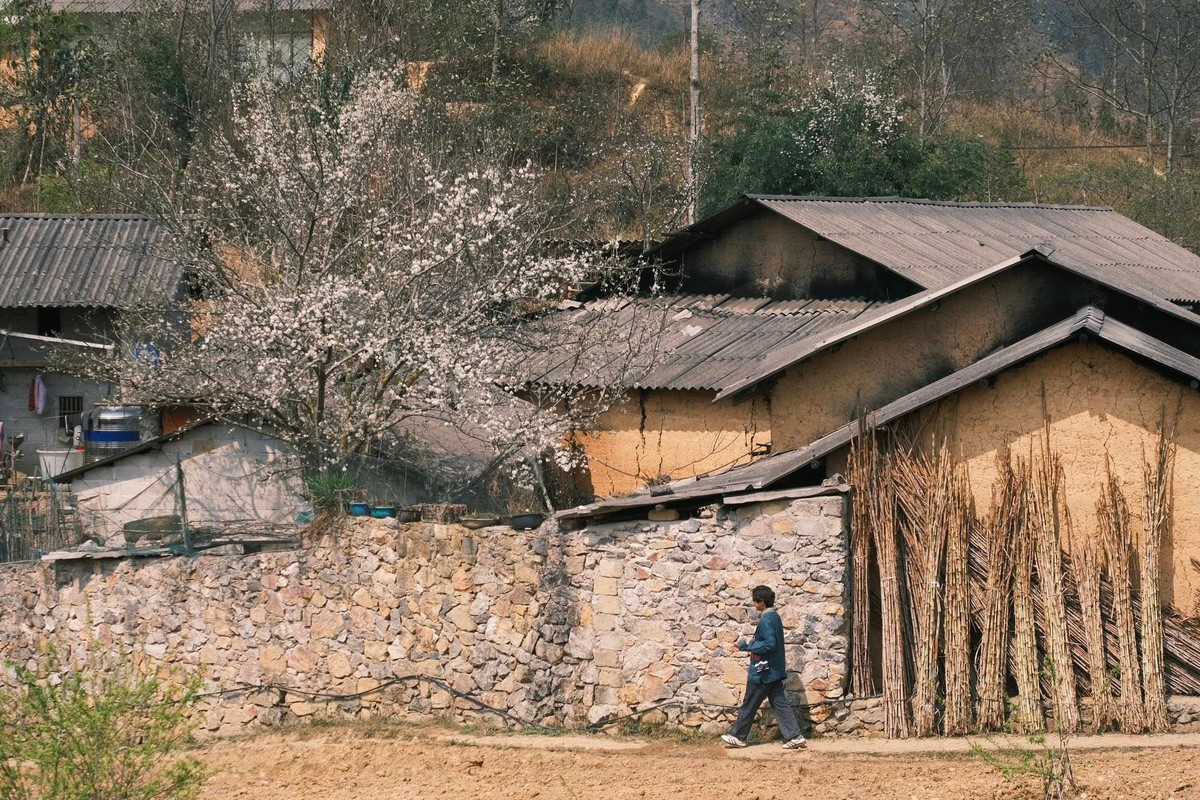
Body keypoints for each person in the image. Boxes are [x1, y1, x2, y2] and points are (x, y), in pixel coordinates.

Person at [721, 585, 807, 750]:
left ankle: (738, 737)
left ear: (761, 602)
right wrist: (752, 642)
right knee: (780, 703)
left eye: (755, 601)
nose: (754, 605)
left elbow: (769, 644)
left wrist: (746, 647)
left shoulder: (766, 619)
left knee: (749, 703)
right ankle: (795, 736)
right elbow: (769, 641)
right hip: (773, 671)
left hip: (763, 672)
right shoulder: (774, 616)